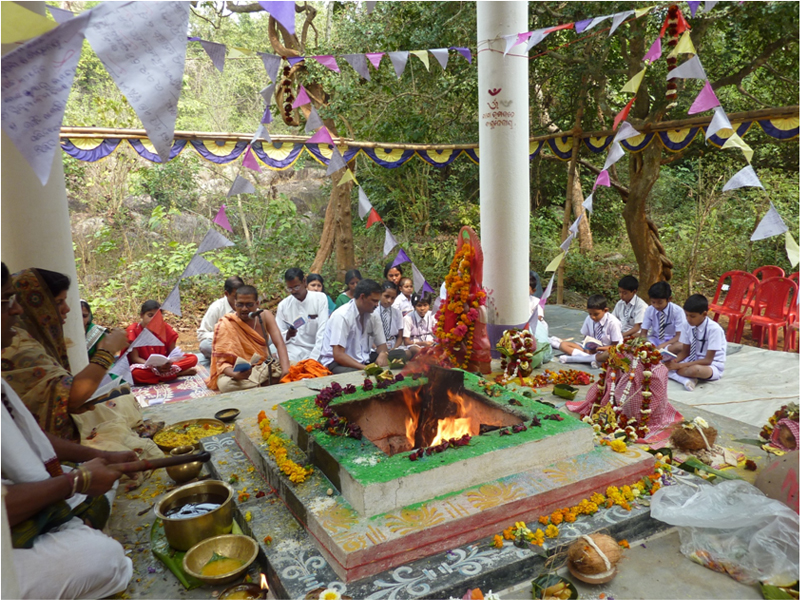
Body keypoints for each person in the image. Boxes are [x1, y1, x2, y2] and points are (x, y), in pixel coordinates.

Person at [1, 263, 134, 599]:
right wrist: (78, 480)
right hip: (11, 520)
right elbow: (72, 396)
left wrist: (100, 458)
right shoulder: (19, 347)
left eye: (15, 300)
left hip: (31, 489)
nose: (15, 310)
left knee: (105, 481)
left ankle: (69, 519)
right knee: (102, 559)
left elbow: (32, 438)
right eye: (5, 302)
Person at [1, 268, 161, 468]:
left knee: (122, 398)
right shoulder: (16, 346)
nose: (67, 309)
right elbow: (70, 395)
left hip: (46, 442)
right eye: (58, 302)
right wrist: (107, 350)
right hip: (32, 464)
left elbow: (61, 396)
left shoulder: (27, 337)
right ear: (37, 305)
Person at [208, 285, 290, 392]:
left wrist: (285, 370)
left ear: (257, 304)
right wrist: (235, 374)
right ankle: (267, 382)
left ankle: (262, 382)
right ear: (234, 304)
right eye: (240, 305)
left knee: (295, 366)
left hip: (263, 366)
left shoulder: (264, 316)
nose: (244, 309)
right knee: (225, 385)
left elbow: (279, 343)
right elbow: (221, 362)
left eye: (249, 305)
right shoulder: (226, 324)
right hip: (238, 373)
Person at [319, 279, 389, 373]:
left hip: (364, 359)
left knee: (397, 358)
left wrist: (383, 354)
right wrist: (366, 368)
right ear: (362, 297)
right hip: (337, 363)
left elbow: (382, 345)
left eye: (378, 301)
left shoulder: (374, 315)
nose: (377, 305)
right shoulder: (343, 316)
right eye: (374, 301)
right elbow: (338, 355)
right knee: (358, 376)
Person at [126, 300, 198, 385]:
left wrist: (168, 364)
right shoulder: (133, 330)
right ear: (142, 315)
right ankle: (178, 374)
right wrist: (154, 366)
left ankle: (164, 375)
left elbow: (173, 353)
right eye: (150, 315)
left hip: (165, 365)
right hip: (145, 365)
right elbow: (135, 358)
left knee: (193, 358)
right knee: (136, 374)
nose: (153, 320)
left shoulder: (165, 328)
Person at [665, 294, 727, 392]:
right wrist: (674, 362)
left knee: (693, 370)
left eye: (692, 316)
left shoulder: (714, 329)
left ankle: (685, 377)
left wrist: (679, 366)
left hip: (711, 366)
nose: (688, 319)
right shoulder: (686, 325)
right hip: (691, 360)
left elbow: (708, 360)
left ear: (704, 314)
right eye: (686, 315)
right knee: (665, 367)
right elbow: (685, 352)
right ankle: (686, 380)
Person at [275, 268, 329, 364]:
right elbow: (278, 335)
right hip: (293, 350)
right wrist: (287, 335)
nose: (294, 291)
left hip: (317, 349)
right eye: (290, 288)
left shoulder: (320, 298)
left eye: (296, 287)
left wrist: (313, 359)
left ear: (304, 282)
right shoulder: (284, 305)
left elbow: (322, 331)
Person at [550, 294, 623, 365]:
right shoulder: (589, 319)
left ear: (605, 310)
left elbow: (615, 346)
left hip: (605, 350)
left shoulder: (613, 322)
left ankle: (579, 359)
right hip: (591, 350)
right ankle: (591, 359)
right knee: (563, 345)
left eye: (596, 314)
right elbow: (586, 337)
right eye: (590, 314)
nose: (593, 317)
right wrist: (587, 348)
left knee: (610, 354)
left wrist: (599, 349)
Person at [197, 276, 244, 360]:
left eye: (241, 295)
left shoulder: (248, 303)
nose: (239, 300)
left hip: (245, 343)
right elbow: (202, 334)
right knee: (205, 346)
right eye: (235, 297)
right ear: (226, 294)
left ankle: (235, 359)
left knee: (268, 339)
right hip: (225, 345)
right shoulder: (217, 307)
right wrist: (225, 335)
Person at [640, 281, 686, 351]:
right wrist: (645, 344)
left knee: (679, 346)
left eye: (660, 302)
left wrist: (663, 345)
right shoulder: (649, 310)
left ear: (669, 299)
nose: (656, 305)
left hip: (672, 341)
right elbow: (643, 332)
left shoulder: (677, 311)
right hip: (654, 339)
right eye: (653, 302)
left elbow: (679, 336)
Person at [612, 275, 647, 340]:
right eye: (620, 292)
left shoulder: (641, 306)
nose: (621, 295)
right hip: (620, 333)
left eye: (625, 293)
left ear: (634, 292)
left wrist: (621, 336)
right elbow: (613, 320)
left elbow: (636, 328)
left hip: (633, 335)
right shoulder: (620, 303)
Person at [376, 280, 405, 354]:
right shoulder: (373, 311)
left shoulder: (397, 312)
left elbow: (400, 336)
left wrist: (394, 348)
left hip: (392, 344)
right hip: (376, 345)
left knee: (406, 353)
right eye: (386, 296)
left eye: (393, 298)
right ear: (380, 294)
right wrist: (377, 348)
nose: (389, 300)